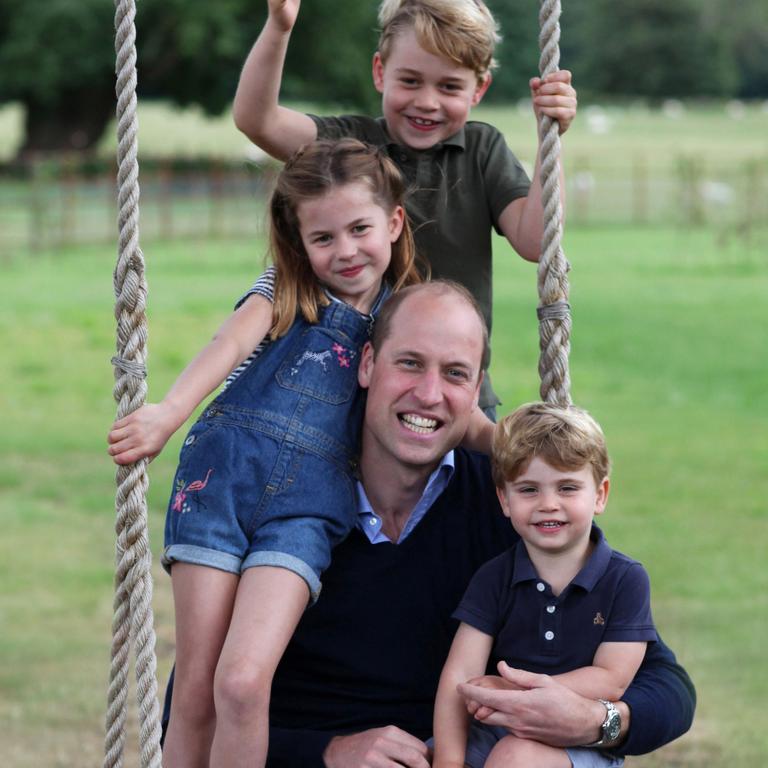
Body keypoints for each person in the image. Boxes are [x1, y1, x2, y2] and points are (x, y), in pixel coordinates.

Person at [159, 281, 694, 766]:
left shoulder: (507, 500)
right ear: (366, 364)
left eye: (455, 373)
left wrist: (594, 721)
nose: (430, 394)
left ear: (476, 385)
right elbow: (196, 710)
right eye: (409, 364)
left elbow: (664, 685)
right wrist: (329, 753)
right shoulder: (284, 503)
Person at [107, 138, 424, 768]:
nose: (346, 251)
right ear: (300, 241)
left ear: (392, 223)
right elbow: (228, 345)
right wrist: (169, 413)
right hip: (221, 480)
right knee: (195, 690)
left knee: (243, 683)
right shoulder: (286, 287)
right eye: (324, 237)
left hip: (308, 508)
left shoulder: (402, 315)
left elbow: (434, 393)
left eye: (360, 228)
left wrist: (508, 444)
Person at [232, 0, 578, 417]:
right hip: (354, 399)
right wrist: (280, 27)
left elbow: (536, 240)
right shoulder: (351, 148)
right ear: (380, 72)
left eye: (449, 87)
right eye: (410, 81)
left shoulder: (483, 151)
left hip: (456, 398)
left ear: (479, 89)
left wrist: (549, 136)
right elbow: (257, 120)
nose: (427, 102)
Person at [432, 403, 658, 768]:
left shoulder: (625, 580)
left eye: (567, 488)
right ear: (504, 499)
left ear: (600, 495)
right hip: (495, 728)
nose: (548, 504)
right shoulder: (494, 577)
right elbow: (460, 675)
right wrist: (446, 762)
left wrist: (515, 692)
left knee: (515, 758)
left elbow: (611, 679)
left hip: (576, 739)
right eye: (529, 490)